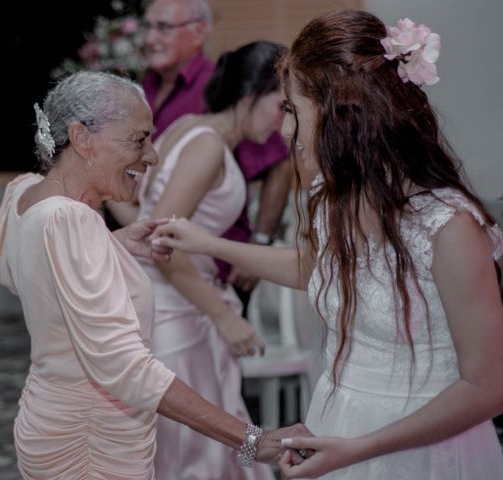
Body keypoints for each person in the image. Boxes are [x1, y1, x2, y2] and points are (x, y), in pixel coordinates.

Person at [151, 10, 503, 479]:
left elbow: (488, 386)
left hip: (421, 448)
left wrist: (361, 449)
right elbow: (318, 268)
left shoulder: (448, 226)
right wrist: (209, 243)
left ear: (343, 113)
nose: (285, 131)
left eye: (293, 111)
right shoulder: (330, 197)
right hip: (336, 422)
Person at [0, 71, 305, 480]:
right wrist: (252, 439)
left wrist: (111, 244)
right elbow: (126, 367)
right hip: (92, 440)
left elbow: (22, 276)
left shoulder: (24, 191)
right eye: (138, 139)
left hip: (47, 417)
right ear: (82, 138)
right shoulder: (71, 220)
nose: (152, 156)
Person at [109, 40, 285, 479]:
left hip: (168, 301)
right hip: (179, 310)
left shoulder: (187, 126)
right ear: (250, 96)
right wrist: (225, 318)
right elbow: (164, 245)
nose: (285, 121)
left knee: (187, 443)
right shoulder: (207, 147)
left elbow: (144, 220)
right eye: (281, 105)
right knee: (191, 448)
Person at [139, 0, 293, 308]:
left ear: (198, 33)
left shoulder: (204, 112)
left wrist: (259, 242)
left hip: (208, 273)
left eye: (164, 27)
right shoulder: (201, 131)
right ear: (252, 95)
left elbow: (280, 166)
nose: (150, 38)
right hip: (181, 287)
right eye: (148, 27)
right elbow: (157, 228)